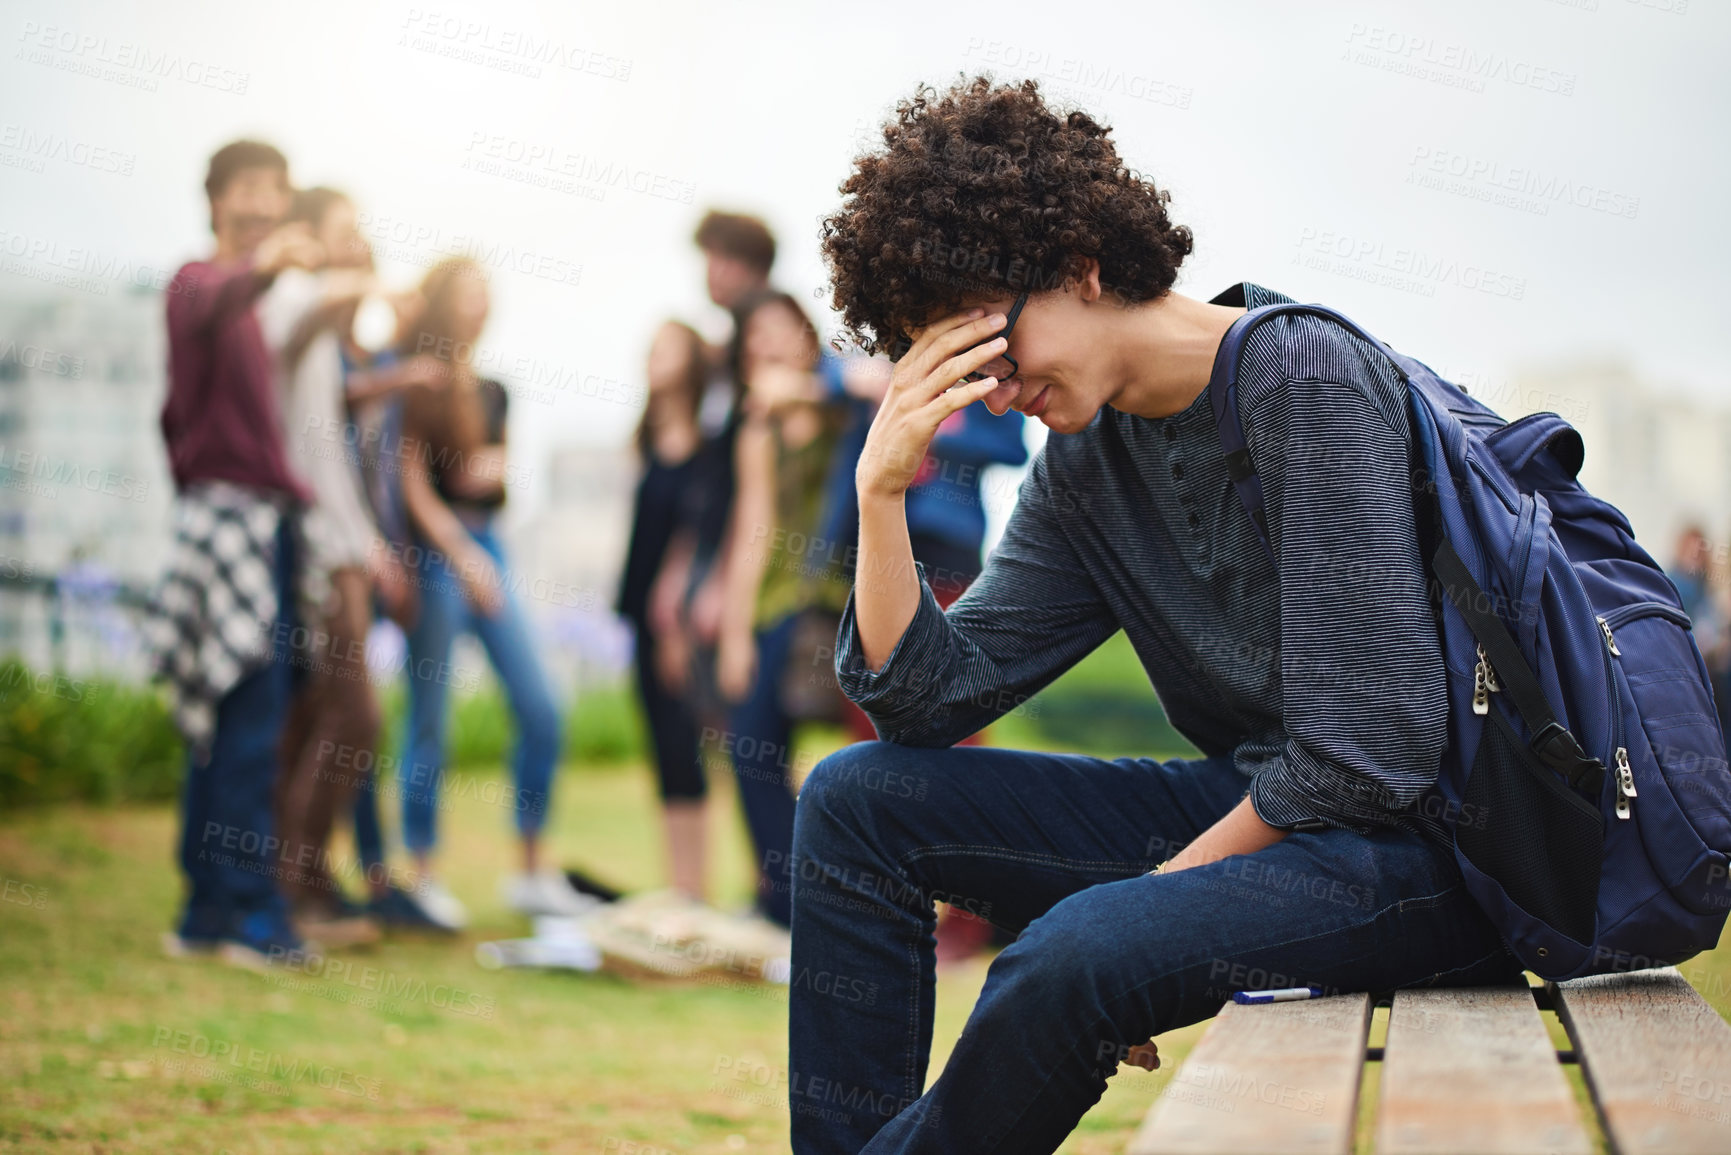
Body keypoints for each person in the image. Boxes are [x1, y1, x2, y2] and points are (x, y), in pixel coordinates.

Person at [788, 77, 1527, 1153]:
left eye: (995, 346)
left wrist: (1150, 904)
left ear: (1084, 266)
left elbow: (1366, 759)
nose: (993, 393)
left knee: (1076, 949)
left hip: (1421, 856)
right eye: (960, 367)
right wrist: (881, 493)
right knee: (858, 801)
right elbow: (926, 703)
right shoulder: (1087, 462)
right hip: (1262, 822)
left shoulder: (1300, 376)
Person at [150, 140, 323, 966]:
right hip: (231, 523)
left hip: (256, 516)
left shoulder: (250, 309)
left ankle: (206, 910)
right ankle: (251, 911)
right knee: (248, 723)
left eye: (277, 192)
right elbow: (214, 299)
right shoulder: (200, 283)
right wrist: (273, 265)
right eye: (251, 188)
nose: (265, 205)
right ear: (215, 197)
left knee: (226, 722)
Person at [255, 188, 444, 941]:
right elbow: (317, 460)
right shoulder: (297, 308)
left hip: (336, 542)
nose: (359, 250)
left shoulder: (332, 338)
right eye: (346, 237)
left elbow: (333, 454)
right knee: (352, 716)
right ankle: (296, 891)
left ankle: (300, 884)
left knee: (316, 719)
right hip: (321, 546)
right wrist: (364, 548)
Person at [392, 257, 589, 925]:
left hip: (491, 545)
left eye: (486, 293)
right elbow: (412, 483)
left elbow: (495, 481)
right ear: (442, 299)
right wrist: (461, 555)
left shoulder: (495, 391)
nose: (478, 304)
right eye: (466, 292)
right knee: (430, 716)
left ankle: (530, 871)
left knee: (542, 707)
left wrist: (487, 489)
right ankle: (420, 873)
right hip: (436, 553)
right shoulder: (414, 377)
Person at [715, 292, 855, 929]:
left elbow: (865, 385)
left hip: (834, 598)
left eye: (777, 329)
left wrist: (798, 389)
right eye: (754, 337)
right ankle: (786, 898)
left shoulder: (843, 404)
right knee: (751, 747)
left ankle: (809, 899)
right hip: (777, 600)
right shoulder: (758, 426)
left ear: (806, 334)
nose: (765, 344)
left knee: (840, 761)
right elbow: (753, 528)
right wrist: (735, 633)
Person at [618, 320, 714, 900]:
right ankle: (676, 886)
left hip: (672, 619)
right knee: (660, 743)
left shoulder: (706, 447)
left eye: (668, 348)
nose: (655, 358)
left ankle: (693, 888)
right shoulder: (648, 440)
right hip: (635, 609)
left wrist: (675, 622)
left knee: (685, 745)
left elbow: (692, 539)